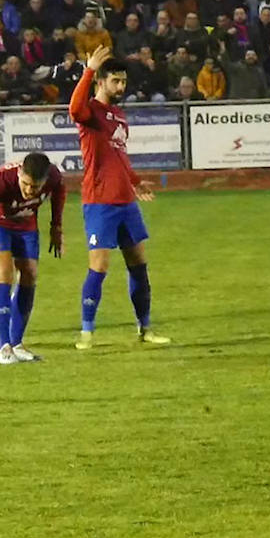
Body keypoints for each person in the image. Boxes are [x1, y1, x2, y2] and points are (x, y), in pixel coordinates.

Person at [69, 45, 169, 349]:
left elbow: (120, 156)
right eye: (115, 81)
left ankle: (145, 328)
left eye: (123, 82)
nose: (121, 87)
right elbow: (73, 108)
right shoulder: (91, 112)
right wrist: (87, 70)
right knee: (99, 266)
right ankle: (87, 332)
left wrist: (135, 182)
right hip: (100, 202)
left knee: (138, 264)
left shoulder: (118, 115)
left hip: (126, 201)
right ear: (101, 82)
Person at [0, 152, 66, 365]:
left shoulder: (53, 176)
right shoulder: (0, 183)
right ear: (19, 173)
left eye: (34, 187)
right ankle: (4, 348)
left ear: (44, 181)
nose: (28, 190)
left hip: (25, 224)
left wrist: (56, 227)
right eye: (25, 184)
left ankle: (17, 343)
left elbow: (60, 191)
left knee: (30, 274)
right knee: (4, 273)